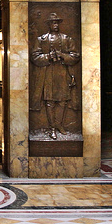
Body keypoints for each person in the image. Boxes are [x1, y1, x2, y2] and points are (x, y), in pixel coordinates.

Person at [30, 12, 80, 140]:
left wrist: (63, 55)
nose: (55, 24)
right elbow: (35, 57)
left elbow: (75, 56)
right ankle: (52, 127)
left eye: (57, 22)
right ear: (49, 24)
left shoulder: (67, 39)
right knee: (50, 102)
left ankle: (59, 125)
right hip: (47, 74)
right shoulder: (41, 40)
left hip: (63, 73)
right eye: (53, 22)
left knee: (63, 101)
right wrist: (48, 56)